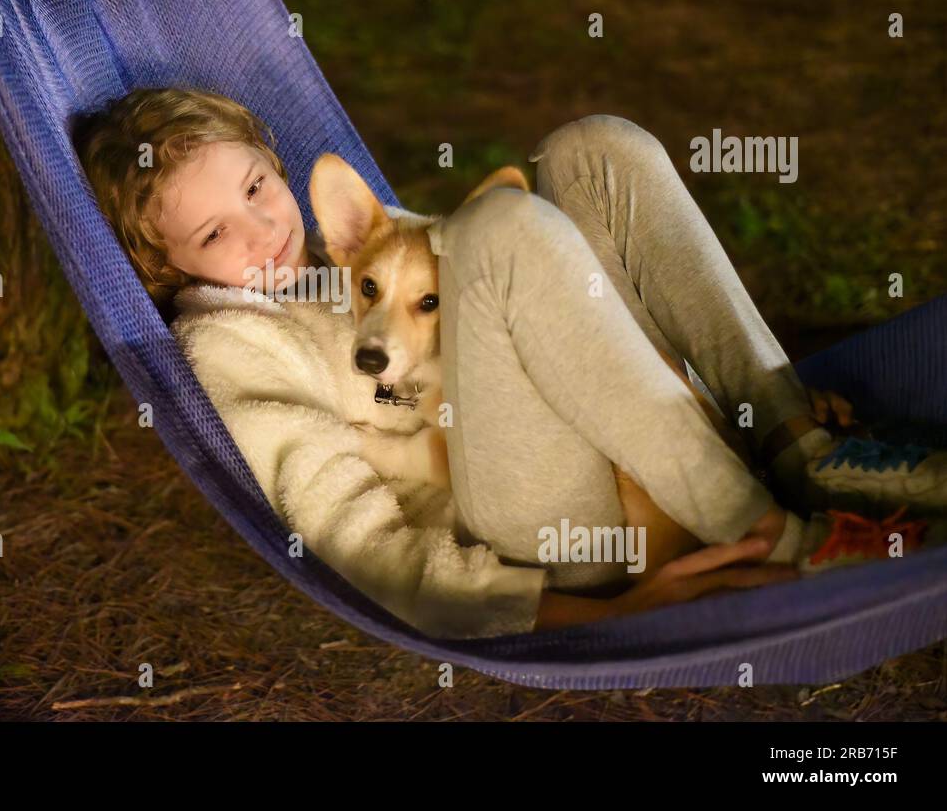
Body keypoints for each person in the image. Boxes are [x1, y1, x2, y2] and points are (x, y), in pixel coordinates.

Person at [74, 86, 937, 638]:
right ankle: (779, 534)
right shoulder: (230, 342)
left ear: (274, 164)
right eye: (215, 233)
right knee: (496, 230)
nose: (262, 231)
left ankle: (792, 439)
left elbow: (559, 314)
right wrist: (599, 617)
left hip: (611, 437)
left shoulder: (340, 259)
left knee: (593, 151)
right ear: (168, 267)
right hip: (532, 523)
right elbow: (364, 546)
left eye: (257, 188)